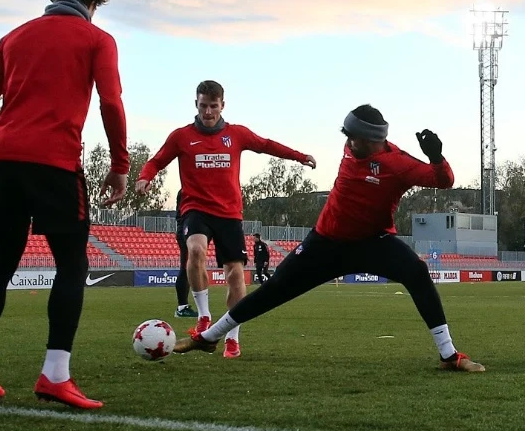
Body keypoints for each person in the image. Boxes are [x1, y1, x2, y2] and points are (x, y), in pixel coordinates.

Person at [174, 104, 485, 373]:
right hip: (324, 243)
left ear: (374, 140)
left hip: (373, 243)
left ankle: (449, 355)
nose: (348, 143)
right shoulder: (352, 148)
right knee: (272, 291)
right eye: (347, 136)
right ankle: (209, 338)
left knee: (416, 272)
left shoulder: (398, 165)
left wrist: (437, 157)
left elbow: (444, 181)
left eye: (354, 138)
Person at [0, 0, 128, 409]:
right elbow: (110, 101)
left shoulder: (13, 36)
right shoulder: (97, 39)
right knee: (72, 265)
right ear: (94, 3)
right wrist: (119, 164)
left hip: (3, 161)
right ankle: (56, 374)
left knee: (1, 263)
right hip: (54, 162)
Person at [136, 80, 315, 359]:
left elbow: (267, 145)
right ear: (196, 104)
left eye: (213, 106)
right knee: (195, 250)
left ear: (222, 105)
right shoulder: (181, 137)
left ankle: (232, 337)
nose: (208, 111)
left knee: (235, 274)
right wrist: (145, 177)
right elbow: (157, 160)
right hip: (195, 208)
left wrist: (299, 156)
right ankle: (204, 316)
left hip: (229, 213)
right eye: (203, 105)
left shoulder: (237, 134)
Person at [173, 190, 198, 318]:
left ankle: (183, 306)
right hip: (186, 232)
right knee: (185, 268)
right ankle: (182, 307)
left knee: (187, 268)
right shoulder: (186, 191)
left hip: (187, 230)